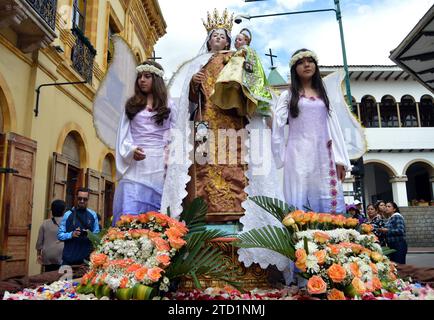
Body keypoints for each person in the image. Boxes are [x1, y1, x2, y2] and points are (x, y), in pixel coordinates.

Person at [271, 49, 351, 213]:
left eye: (310, 61)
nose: (306, 65)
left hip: (323, 154)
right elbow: (277, 125)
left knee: (327, 195)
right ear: (294, 69)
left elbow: (334, 127)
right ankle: (301, 236)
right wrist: (280, 154)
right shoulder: (288, 95)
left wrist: (340, 160)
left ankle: (331, 236)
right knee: (299, 196)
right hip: (298, 153)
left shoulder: (324, 95)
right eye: (300, 62)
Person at [113, 60, 177, 224]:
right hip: (135, 166)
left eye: (147, 76)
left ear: (156, 80)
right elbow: (123, 135)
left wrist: (171, 156)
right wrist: (131, 150)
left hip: (159, 165)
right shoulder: (131, 105)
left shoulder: (170, 106)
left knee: (156, 215)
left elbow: (177, 135)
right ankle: (124, 246)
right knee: (129, 210)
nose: (142, 80)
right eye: (140, 76)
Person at [211, 28, 272, 117]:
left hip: (239, 70)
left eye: (239, 40)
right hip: (232, 71)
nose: (236, 42)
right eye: (235, 40)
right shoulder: (234, 52)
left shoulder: (246, 49)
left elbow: (250, 60)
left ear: (246, 42)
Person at [58, 188, 100, 266]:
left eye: (85, 199)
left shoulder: (93, 215)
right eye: (79, 198)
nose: (82, 201)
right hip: (68, 260)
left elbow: (97, 236)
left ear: (88, 200)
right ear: (76, 198)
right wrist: (71, 234)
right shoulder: (67, 214)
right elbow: (60, 235)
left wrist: (89, 235)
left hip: (86, 261)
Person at [36, 199, 66, 272]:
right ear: (64, 210)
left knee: (48, 276)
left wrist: (39, 254)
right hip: (62, 256)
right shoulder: (67, 223)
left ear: (51, 210)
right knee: (60, 279)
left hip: (47, 256)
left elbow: (39, 242)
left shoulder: (45, 223)